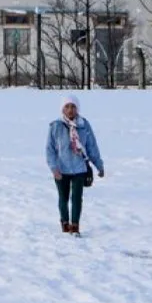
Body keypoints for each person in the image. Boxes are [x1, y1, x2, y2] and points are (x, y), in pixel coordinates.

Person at [45, 94, 104, 235]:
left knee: (77, 198)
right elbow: (50, 149)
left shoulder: (84, 125)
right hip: (61, 168)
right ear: (62, 109)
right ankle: (65, 222)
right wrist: (54, 168)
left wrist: (99, 165)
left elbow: (91, 146)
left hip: (79, 168)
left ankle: (75, 225)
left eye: (73, 107)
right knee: (63, 198)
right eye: (67, 107)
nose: (70, 110)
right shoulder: (56, 126)